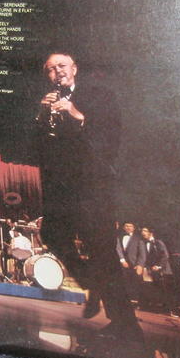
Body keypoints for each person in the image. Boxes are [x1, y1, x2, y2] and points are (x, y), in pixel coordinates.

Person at [34, 52, 138, 332]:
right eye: (51, 69)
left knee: (102, 250)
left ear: (75, 69)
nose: (57, 72)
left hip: (94, 187)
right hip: (64, 189)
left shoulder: (100, 95)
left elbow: (111, 138)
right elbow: (42, 149)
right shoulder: (48, 103)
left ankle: (126, 326)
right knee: (52, 233)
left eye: (62, 66)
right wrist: (42, 117)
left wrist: (77, 115)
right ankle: (92, 280)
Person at [140, 226, 178, 317]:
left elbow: (165, 255)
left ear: (151, 233)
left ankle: (173, 311)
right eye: (142, 231)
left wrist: (159, 266)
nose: (143, 232)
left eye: (145, 231)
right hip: (151, 270)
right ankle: (158, 309)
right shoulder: (143, 243)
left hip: (163, 270)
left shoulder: (158, 242)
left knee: (166, 290)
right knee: (155, 289)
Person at [116, 221, 145, 303]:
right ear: (123, 227)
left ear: (134, 228)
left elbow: (142, 253)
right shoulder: (119, 237)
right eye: (126, 226)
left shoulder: (138, 238)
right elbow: (118, 249)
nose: (128, 227)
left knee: (135, 283)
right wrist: (122, 260)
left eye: (130, 226)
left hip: (134, 265)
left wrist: (140, 265)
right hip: (122, 264)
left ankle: (135, 301)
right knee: (123, 282)